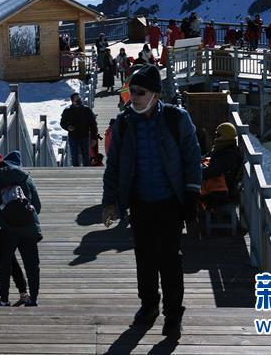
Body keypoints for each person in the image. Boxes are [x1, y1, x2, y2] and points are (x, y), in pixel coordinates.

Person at [102, 64, 202, 338]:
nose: (132, 96)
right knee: (144, 258)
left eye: (139, 92)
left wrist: (192, 195)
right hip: (139, 202)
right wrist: (109, 201)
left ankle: (173, 314)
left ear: (155, 95)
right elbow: (114, 166)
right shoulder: (123, 123)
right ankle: (148, 306)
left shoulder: (176, 119)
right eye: (130, 91)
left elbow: (193, 158)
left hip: (170, 201)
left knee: (170, 260)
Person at [0, 150, 42, 307]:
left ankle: (4, 299)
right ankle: (33, 298)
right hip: (29, 227)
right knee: (32, 265)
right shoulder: (25, 177)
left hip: (6, 228)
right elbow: (38, 205)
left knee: (4, 263)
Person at [200, 123, 243, 211]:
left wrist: (194, 171)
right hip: (221, 187)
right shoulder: (226, 148)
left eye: (218, 135)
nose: (216, 137)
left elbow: (210, 172)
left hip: (220, 193)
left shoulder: (227, 154)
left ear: (225, 136)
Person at [61, 92, 98, 167]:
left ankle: (87, 173)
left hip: (85, 136)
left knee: (86, 156)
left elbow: (93, 124)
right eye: (76, 100)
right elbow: (62, 123)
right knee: (74, 156)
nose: (79, 101)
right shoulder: (67, 111)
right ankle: (76, 173)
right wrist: (68, 127)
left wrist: (94, 137)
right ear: (72, 101)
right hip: (73, 137)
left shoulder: (87, 110)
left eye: (79, 99)